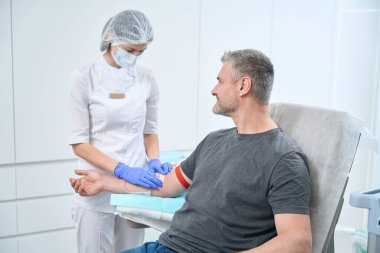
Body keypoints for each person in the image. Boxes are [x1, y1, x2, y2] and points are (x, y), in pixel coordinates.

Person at [70, 49, 312, 253]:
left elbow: (297, 241)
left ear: (243, 85)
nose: (213, 89)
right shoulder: (214, 141)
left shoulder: (284, 159)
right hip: (165, 246)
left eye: (220, 80)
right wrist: (103, 181)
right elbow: (164, 187)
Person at [68, 10, 172, 253]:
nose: (135, 57)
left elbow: (150, 130)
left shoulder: (146, 78)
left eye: (141, 52)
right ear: (111, 37)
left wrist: (154, 159)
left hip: (134, 189)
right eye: (130, 50)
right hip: (95, 188)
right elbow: (78, 142)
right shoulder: (84, 78)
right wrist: (122, 170)